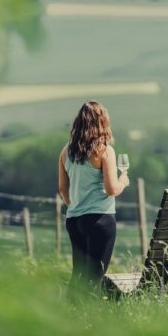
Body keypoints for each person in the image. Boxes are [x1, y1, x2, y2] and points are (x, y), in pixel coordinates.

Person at [58, 101, 130, 293]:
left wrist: (75, 205)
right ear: (102, 123)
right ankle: (89, 319)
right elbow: (111, 189)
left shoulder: (66, 152)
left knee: (78, 274)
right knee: (94, 278)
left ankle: (69, 315)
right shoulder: (105, 151)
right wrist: (123, 180)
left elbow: (63, 189)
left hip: (74, 219)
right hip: (100, 219)